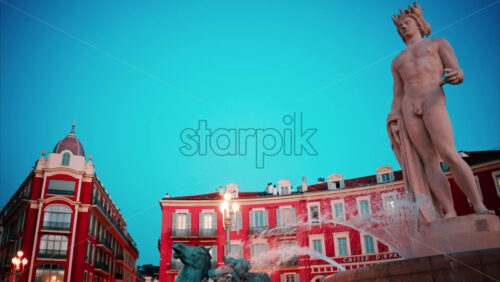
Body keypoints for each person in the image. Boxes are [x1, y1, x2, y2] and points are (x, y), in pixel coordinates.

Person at [388, 2, 493, 221]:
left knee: (448, 152)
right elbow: (398, 94)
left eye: (407, 23)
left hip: (432, 97)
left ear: (418, 24)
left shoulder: (437, 43)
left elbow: (456, 68)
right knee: (428, 159)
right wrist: (393, 118)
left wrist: (458, 75)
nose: (404, 28)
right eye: (400, 27)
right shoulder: (397, 61)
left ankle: (479, 204)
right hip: (409, 104)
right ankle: (449, 210)